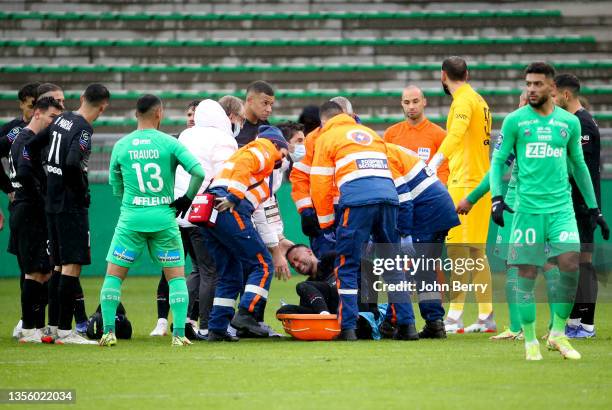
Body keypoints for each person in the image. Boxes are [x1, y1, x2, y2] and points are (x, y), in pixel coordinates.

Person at [490, 62, 608, 360]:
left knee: (570, 264)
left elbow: (579, 166)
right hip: (528, 210)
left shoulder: (570, 124)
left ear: (552, 88)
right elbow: (497, 161)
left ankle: (557, 334)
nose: (531, 89)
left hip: (561, 209)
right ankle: (530, 339)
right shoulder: (515, 121)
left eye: (537, 84)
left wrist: (595, 209)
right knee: (526, 272)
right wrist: (496, 197)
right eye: (528, 83)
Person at [99, 94, 205, 347]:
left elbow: (115, 184)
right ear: (160, 113)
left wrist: (130, 203)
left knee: (113, 277)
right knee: (176, 278)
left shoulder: (122, 145)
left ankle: (108, 332)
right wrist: (186, 200)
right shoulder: (170, 143)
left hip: (131, 220)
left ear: (136, 114)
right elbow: (198, 172)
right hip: (164, 219)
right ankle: (179, 334)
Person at [310, 104, 416, 341]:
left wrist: (326, 223)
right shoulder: (370, 134)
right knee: (392, 264)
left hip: (358, 202)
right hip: (389, 199)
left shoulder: (327, 137)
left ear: (324, 123)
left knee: (347, 265)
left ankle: (347, 328)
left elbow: (320, 184)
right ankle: (408, 326)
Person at [31, 84, 110, 344]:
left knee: (56, 265)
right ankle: (66, 330)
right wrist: (82, 192)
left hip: (51, 203)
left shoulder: (62, 118)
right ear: (103, 107)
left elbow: (32, 146)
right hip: (69, 205)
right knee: (71, 266)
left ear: (81, 98)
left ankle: (51, 327)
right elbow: (73, 162)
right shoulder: (84, 128)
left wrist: (45, 181)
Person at [202, 125, 289, 342]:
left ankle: (217, 328)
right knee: (263, 264)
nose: (284, 160)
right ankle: (247, 314)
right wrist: (234, 196)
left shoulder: (263, 166)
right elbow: (245, 164)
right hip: (228, 205)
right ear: (277, 144)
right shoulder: (265, 147)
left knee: (230, 273)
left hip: (211, 209)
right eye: (285, 153)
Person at [428, 57, 495, 333]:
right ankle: (486, 315)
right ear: (466, 73)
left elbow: (455, 134)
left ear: (443, 75)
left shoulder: (463, 102)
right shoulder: (479, 100)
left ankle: (454, 315)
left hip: (464, 184)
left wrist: (435, 162)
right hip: (481, 181)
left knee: (458, 251)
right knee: (477, 253)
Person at [383, 143, 460, 338]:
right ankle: (434, 323)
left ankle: (396, 322)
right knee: (424, 271)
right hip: (439, 207)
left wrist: (405, 233)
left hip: (427, 211)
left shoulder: (381, 155)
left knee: (405, 269)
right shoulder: (389, 148)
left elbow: (405, 199)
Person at [7, 97, 63, 343]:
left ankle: (37, 327)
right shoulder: (26, 140)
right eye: (51, 117)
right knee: (33, 272)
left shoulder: (32, 140)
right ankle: (28, 328)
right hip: (28, 210)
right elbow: (24, 174)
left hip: (30, 210)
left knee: (43, 272)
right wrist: (44, 198)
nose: (54, 122)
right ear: (37, 113)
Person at [554, 74, 602, 338]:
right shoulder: (578, 122)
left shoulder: (582, 124)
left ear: (566, 95)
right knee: (569, 263)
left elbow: (579, 168)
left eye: (554, 95)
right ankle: (574, 320)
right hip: (574, 206)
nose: (552, 100)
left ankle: (586, 324)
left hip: (583, 207)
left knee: (583, 263)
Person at [150, 99, 203, 337]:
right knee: (170, 268)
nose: (192, 117)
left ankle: (192, 319)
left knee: (202, 270)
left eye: (196, 114)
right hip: (175, 214)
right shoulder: (174, 142)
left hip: (200, 216)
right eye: (189, 113)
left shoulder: (207, 142)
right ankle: (162, 321)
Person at [0, 82, 40, 338]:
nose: (36, 109)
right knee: (27, 265)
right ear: (23, 102)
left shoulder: (48, 129)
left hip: (44, 205)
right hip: (23, 204)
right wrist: (8, 188)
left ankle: (41, 320)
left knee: (49, 265)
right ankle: (27, 320)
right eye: (31, 103)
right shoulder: (14, 131)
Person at [383, 85, 450, 184]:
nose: (411, 106)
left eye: (415, 101)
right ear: (402, 104)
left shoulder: (439, 134)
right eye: (407, 102)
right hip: (400, 193)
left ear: (424, 102)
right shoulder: (391, 133)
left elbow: (444, 170)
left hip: (427, 193)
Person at [1, 82, 40, 202]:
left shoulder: (51, 128)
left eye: (38, 107)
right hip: (22, 198)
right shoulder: (11, 129)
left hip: (49, 197)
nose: (35, 112)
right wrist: (8, 187)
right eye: (31, 107)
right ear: (21, 104)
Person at [235, 81, 275, 147]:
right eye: (265, 103)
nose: (269, 110)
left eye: (271, 104)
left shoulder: (265, 126)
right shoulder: (233, 125)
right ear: (250, 100)